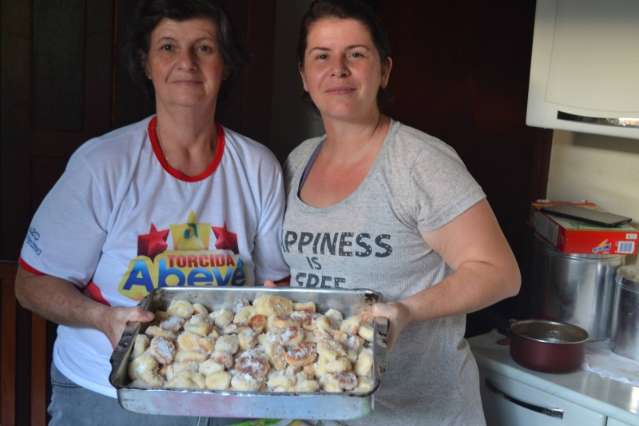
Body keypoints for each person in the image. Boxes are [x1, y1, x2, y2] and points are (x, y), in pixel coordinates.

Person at [14, 1, 288, 425]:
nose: (186, 63)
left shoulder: (258, 166)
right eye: (167, 47)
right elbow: (31, 283)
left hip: (226, 392)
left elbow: (275, 285)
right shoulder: (102, 164)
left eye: (204, 48)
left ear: (226, 65)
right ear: (146, 64)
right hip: (108, 391)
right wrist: (102, 318)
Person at [280, 0, 521, 424]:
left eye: (356, 54)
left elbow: (500, 273)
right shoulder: (297, 162)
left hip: (423, 414)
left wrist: (408, 310)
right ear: (304, 74)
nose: (338, 69)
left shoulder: (419, 162)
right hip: (328, 408)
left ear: (384, 70)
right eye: (322, 56)